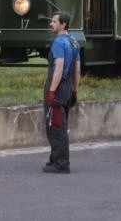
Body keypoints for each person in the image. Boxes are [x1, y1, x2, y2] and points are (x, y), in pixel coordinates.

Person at [43, 10, 81, 174]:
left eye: (54, 21)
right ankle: (55, 159)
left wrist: (51, 91)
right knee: (60, 124)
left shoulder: (59, 42)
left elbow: (58, 68)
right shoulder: (74, 41)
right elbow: (77, 69)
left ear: (63, 24)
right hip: (68, 87)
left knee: (55, 126)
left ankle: (61, 164)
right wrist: (75, 90)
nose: (51, 24)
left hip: (57, 87)